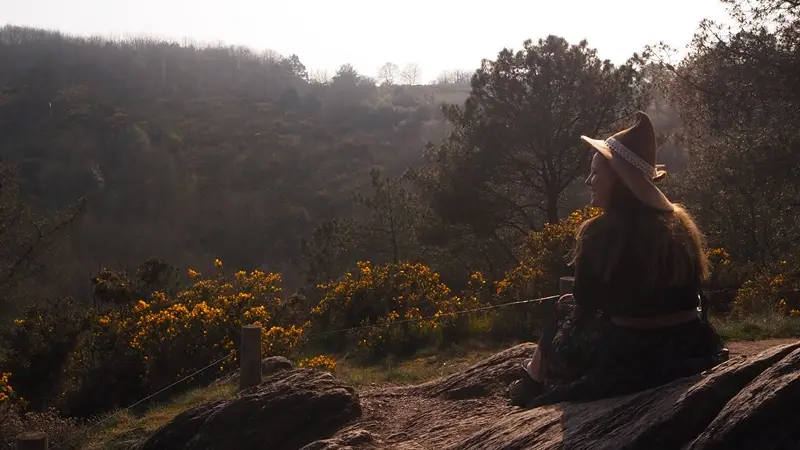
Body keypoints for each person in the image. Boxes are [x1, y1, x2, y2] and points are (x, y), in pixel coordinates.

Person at [508, 111, 728, 408]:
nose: (588, 181)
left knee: (563, 307)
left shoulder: (598, 232)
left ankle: (532, 381)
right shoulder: (681, 226)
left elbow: (584, 298)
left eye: (596, 172)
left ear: (619, 179)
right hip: (686, 342)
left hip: (626, 351)